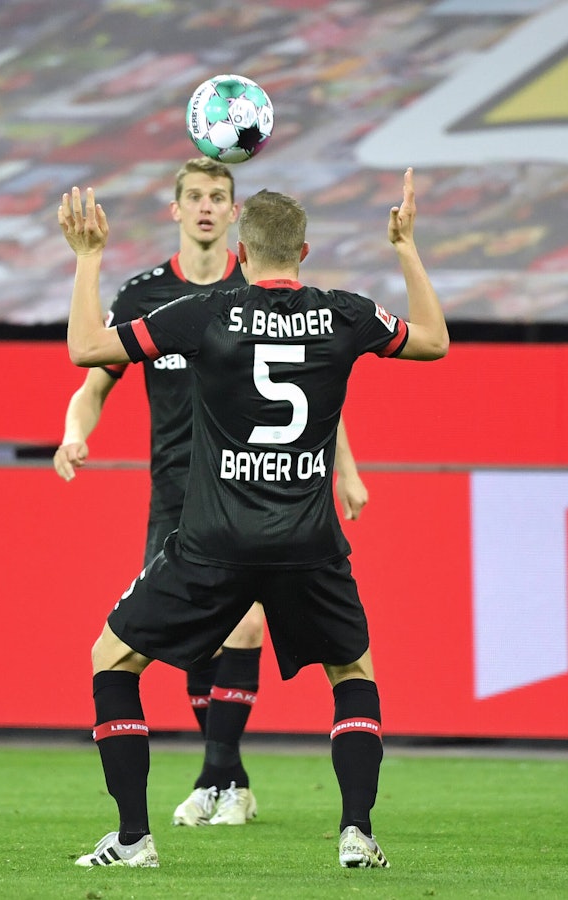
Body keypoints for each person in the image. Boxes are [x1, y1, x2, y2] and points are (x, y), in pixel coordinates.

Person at [58, 167, 448, 869]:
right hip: (308, 540)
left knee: (112, 660)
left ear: (243, 245)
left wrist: (87, 259)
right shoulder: (342, 312)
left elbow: (88, 350)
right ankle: (356, 833)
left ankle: (133, 839)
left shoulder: (205, 315)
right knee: (352, 670)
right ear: (304, 250)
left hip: (214, 536)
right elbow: (434, 341)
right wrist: (406, 247)